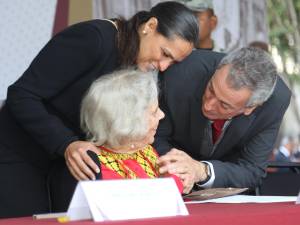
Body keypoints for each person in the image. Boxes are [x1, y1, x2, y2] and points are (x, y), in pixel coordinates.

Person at [0, 1, 199, 218]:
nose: (163, 66)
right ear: (150, 26)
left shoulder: (143, 62)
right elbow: (22, 95)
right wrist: (66, 143)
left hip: (73, 159)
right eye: (165, 53)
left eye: (172, 62)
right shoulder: (93, 38)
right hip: (22, 151)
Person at [153, 47, 291, 193]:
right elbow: (156, 137)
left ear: (250, 108)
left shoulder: (274, 102)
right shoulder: (182, 71)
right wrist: (177, 169)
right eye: (211, 89)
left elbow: (252, 170)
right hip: (167, 182)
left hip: (224, 191)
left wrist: (202, 171)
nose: (208, 105)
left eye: (224, 105)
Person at [79, 69, 183, 192]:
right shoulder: (98, 166)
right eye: (154, 112)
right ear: (128, 124)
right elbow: (151, 197)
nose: (162, 115)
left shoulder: (143, 150)